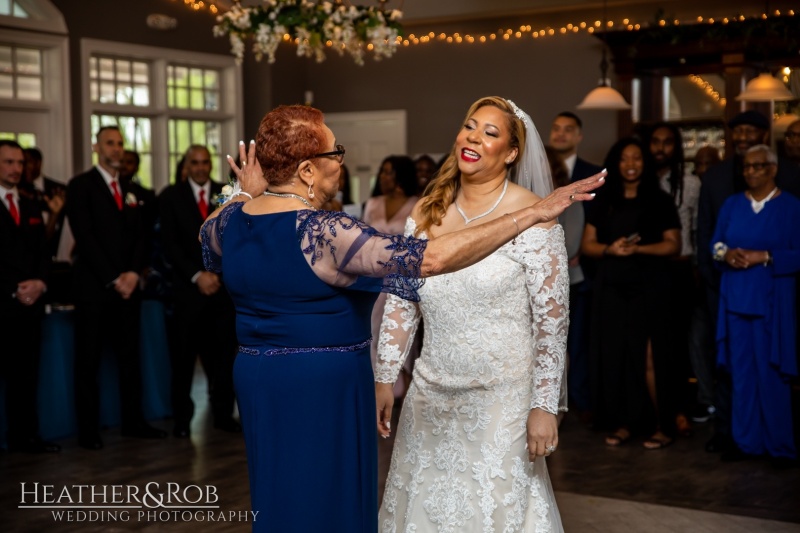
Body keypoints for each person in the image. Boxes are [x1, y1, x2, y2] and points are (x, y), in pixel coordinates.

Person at [200, 104, 604, 533]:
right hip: (321, 384)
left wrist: (246, 191)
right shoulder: (324, 232)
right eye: (334, 153)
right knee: (323, 497)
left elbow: (208, 228)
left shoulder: (227, 222)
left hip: (257, 376)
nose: (341, 160)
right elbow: (427, 261)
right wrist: (531, 215)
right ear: (306, 171)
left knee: (278, 490)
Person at [375, 97, 572, 532]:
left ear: (512, 152)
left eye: (490, 132)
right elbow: (401, 300)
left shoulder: (536, 219)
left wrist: (543, 406)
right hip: (430, 393)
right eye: (469, 126)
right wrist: (385, 376)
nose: (474, 138)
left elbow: (551, 326)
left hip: (502, 398)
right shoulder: (426, 213)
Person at [697, 110, 800, 454]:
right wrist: (725, 255)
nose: (751, 172)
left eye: (758, 166)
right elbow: (715, 243)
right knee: (740, 374)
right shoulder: (731, 205)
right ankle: (745, 441)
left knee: (772, 373)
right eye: (747, 167)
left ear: (773, 169)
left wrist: (766, 256)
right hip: (736, 297)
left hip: (773, 298)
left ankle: (779, 444)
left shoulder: (791, 207)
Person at [66, 126, 167, 450]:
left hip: (129, 286)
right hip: (95, 289)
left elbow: (141, 236)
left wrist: (134, 275)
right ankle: (88, 431)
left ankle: (133, 422)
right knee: (89, 362)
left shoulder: (131, 188)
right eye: (110, 143)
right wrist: (114, 277)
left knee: (129, 358)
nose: (116, 149)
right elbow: (85, 236)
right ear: (97, 147)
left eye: (120, 144)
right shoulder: (80, 186)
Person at [582, 137, 681, 450]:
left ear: (645, 162)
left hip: (651, 288)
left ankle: (663, 425)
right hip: (612, 286)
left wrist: (638, 248)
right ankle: (625, 423)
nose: (631, 165)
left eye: (636, 158)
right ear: (615, 164)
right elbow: (587, 245)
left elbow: (673, 244)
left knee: (652, 358)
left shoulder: (660, 200)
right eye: (624, 159)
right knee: (619, 356)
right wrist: (610, 248)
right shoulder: (604, 200)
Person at [159, 144, 239, 438]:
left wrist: (216, 275)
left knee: (224, 358)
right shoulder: (171, 196)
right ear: (186, 164)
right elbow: (170, 243)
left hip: (221, 292)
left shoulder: (229, 194)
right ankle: (182, 418)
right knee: (182, 359)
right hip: (187, 291)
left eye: (205, 162)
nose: (201, 167)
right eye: (195, 162)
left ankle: (222, 413)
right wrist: (197, 276)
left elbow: (234, 240)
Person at [0, 140, 60, 453]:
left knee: (27, 376)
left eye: (19, 163)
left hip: (30, 306)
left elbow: (43, 252)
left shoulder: (31, 204)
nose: (15, 169)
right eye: (8, 162)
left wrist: (39, 283)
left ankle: (27, 436)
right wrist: (15, 288)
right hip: (4, 304)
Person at [648, 122, 701, 436]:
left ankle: (679, 407)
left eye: (667, 143)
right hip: (649, 268)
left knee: (679, 346)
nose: (660, 148)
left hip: (680, 268)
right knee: (653, 347)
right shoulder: (641, 182)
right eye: (655, 141)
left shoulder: (691, 183)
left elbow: (696, 230)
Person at [549, 111, 603, 417]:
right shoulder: (534, 173)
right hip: (547, 273)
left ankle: (579, 401)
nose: (560, 134)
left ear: (578, 136)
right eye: (556, 129)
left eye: (568, 130)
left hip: (579, 272)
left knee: (579, 342)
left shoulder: (591, 174)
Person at [363, 155, 419, 398]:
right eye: (382, 171)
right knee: (373, 330)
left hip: (402, 279)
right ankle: (376, 386)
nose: (384, 177)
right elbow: (362, 242)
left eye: (389, 172)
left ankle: (402, 386)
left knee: (400, 328)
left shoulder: (416, 204)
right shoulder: (372, 204)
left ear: (400, 176)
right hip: (374, 279)